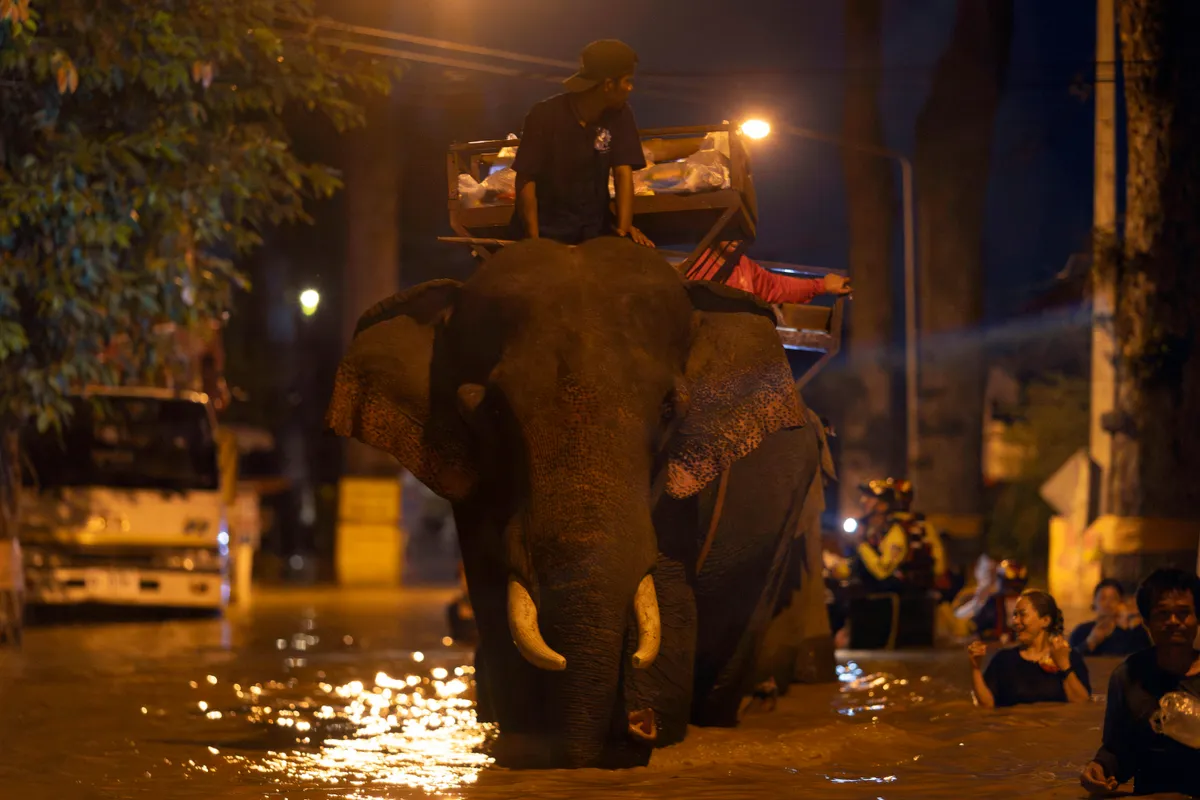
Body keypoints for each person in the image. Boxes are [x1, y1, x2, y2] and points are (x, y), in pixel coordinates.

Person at [508, 39, 651, 246]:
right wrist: (535, 241)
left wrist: (624, 228)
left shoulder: (620, 115)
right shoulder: (545, 115)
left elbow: (623, 171)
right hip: (548, 231)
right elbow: (525, 179)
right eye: (627, 81)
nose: (630, 88)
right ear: (608, 85)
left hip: (593, 232)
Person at [1080, 568, 1200, 797]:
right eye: (1163, 614)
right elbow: (1119, 751)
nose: (1173, 622)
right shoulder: (1127, 677)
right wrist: (1100, 768)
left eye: (1183, 613)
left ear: (1198, 618)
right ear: (1146, 621)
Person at [967, 587, 1091, 708]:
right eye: (1015, 615)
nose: (1015, 621)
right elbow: (987, 706)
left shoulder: (1069, 658)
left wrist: (1064, 665)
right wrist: (975, 668)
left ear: (1045, 621)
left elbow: (1082, 704)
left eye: (1022, 615)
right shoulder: (1003, 660)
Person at [689, 245, 853, 304]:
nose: (736, 238)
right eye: (730, 229)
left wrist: (822, 285)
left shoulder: (744, 264)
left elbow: (775, 286)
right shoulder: (695, 267)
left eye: (741, 231)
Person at [1069, 578, 1152, 657]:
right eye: (1103, 598)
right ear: (1094, 602)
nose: (1108, 604)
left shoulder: (1133, 633)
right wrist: (1089, 643)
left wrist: (1128, 628)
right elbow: (1068, 661)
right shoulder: (1081, 632)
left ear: (1120, 603)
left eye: (1113, 599)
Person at [852, 479, 908, 593]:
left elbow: (882, 572)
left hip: (885, 604)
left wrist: (861, 544)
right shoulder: (869, 530)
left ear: (883, 505)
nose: (863, 501)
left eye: (870, 497)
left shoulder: (894, 534)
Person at [972, 559, 1029, 643]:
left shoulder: (1029, 601)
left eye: (1017, 583)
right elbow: (979, 627)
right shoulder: (993, 602)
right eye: (1011, 583)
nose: (1013, 588)